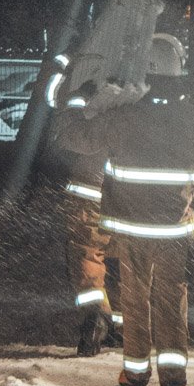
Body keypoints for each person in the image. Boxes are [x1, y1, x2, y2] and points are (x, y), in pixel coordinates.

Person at [52, 34, 194, 386]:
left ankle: (135, 373)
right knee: (171, 303)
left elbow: (72, 137)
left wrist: (78, 98)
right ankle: (175, 382)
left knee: (134, 302)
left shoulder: (124, 117)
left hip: (131, 231)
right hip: (174, 234)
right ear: (178, 74)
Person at [47, 54, 122, 357]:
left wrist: (70, 77)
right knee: (127, 261)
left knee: (88, 256)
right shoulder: (144, 95)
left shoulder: (84, 76)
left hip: (89, 193)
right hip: (128, 196)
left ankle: (96, 319)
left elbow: (60, 111)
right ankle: (123, 327)